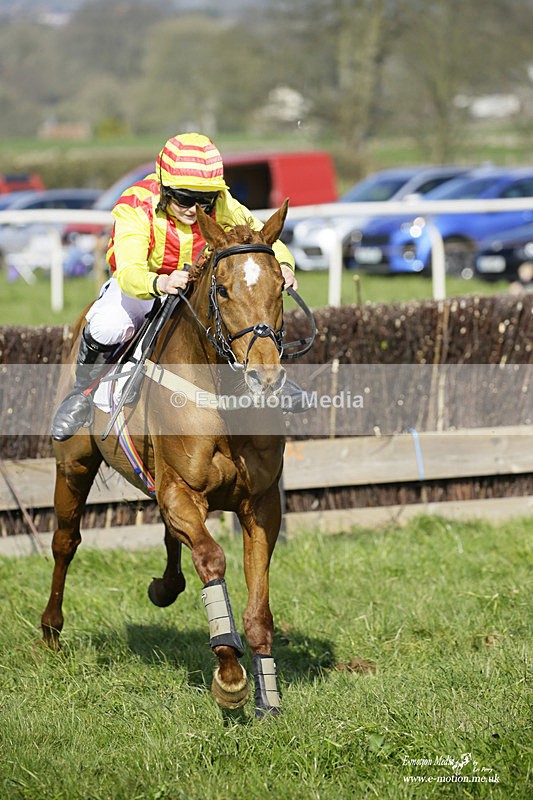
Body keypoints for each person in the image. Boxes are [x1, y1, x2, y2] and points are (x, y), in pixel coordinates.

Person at [51, 132, 299, 441]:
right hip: (146, 286)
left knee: (248, 306)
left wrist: (285, 266)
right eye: (183, 198)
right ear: (165, 188)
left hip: (197, 289)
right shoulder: (136, 204)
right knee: (107, 326)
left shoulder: (222, 203)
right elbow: (128, 271)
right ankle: (81, 394)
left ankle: (269, 374)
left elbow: (261, 239)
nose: (195, 209)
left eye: (204, 200)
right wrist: (160, 282)